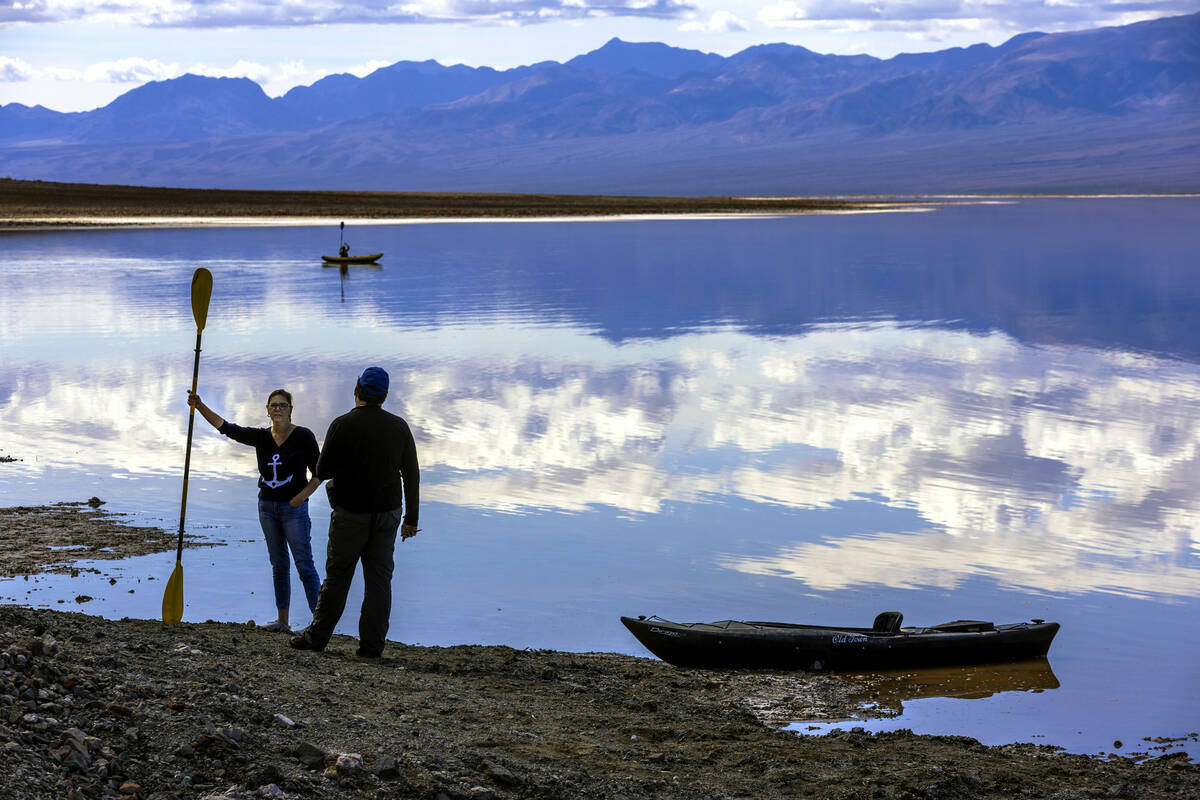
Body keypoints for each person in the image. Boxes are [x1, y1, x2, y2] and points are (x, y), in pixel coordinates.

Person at [290, 366, 420, 659]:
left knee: (337, 576)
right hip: (388, 514)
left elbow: (323, 470)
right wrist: (412, 519)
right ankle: (371, 648)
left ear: (356, 390)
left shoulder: (342, 424)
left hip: (350, 514)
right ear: (384, 396)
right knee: (379, 580)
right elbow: (411, 475)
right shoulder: (399, 426)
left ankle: (317, 639)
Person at [187, 389, 322, 632]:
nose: (278, 409)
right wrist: (200, 406)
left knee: (304, 565)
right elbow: (227, 428)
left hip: (294, 510)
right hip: (267, 508)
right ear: (267, 410)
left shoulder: (304, 436)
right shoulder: (261, 437)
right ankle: (282, 621)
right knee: (279, 564)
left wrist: (300, 498)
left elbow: (320, 473)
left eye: (283, 405)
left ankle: (319, 624)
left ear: (291, 409)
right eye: (273, 405)